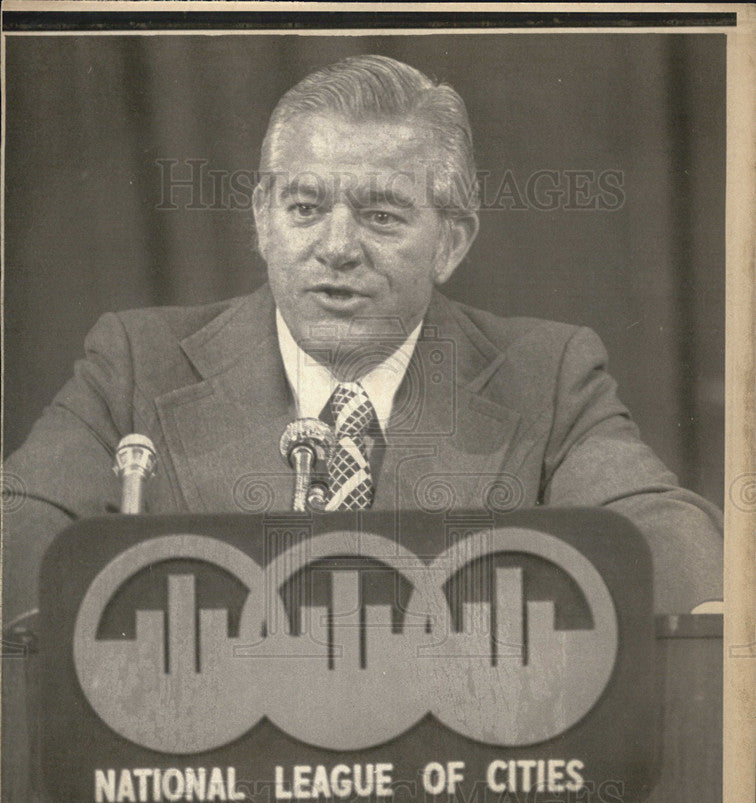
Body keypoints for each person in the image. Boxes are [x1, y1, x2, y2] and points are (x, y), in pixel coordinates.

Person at [2, 54, 723, 624]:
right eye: (306, 207)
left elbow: (658, 528)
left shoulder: (548, 376)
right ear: (261, 217)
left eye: (380, 216)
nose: (337, 247)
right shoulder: (136, 363)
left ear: (451, 242)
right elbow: (22, 525)